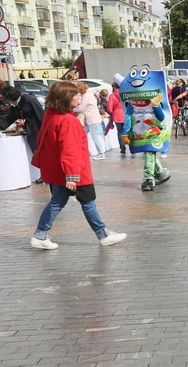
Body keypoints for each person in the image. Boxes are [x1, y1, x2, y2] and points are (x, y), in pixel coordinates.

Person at [28, 82, 127, 250]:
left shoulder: (51, 115)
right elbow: (70, 151)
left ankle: (40, 234)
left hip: (56, 171)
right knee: (88, 202)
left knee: (57, 202)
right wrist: (72, 176)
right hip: (74, 171)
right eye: (75, 95)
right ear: (66, 98)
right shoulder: (68, 121)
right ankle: (103, 234)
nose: (79, 97)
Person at [74, 82, 106, 160]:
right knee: (81, 133)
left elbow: (81, 107)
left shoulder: (86, 96)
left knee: (94, 138)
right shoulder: (89, 94)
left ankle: (101, 154)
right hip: (92, 119)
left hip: (93, 120)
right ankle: (85, 151)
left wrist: (72, 109)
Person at [107, 75, 127, 153]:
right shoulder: (125, 94)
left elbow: (109, 108)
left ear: (114, 87)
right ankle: (132, 145)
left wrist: (111, 112)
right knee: (129, 130)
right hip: (126, 114)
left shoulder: (112, 96)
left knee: (120, 132)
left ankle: (122, 148)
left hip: (117, 116)